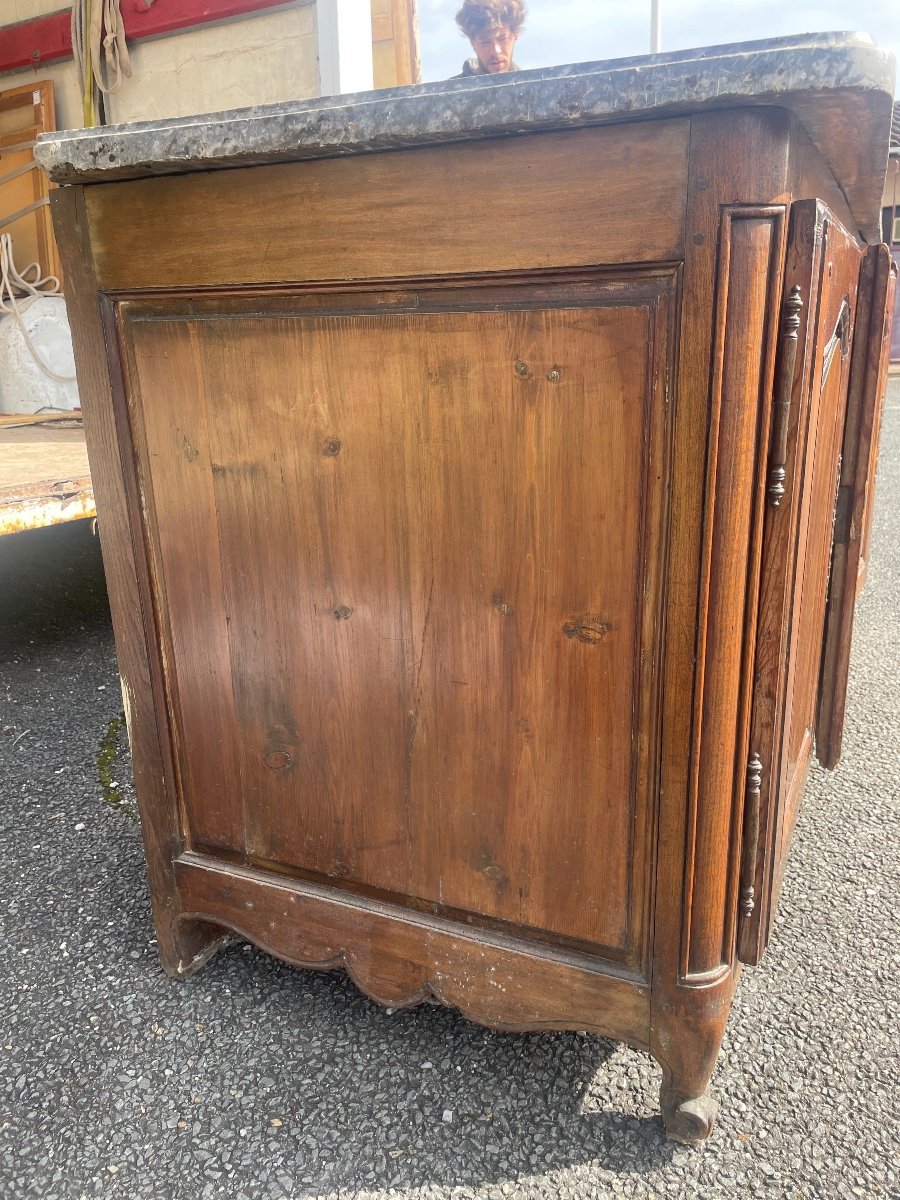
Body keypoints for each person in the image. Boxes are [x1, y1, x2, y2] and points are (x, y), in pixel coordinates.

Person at [453, 0, 525, 77]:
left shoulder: (534, 87)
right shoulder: (448, 88)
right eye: (485, 42)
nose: (496, 51)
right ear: (472, 42)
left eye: (502, 38)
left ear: (515, 35)